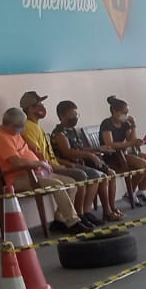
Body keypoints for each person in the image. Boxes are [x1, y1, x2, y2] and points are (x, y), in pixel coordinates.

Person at [0, 106, 88, 233]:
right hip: (18, 178)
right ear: (12, 125)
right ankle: (73, 222)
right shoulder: (1, 138)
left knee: (71, 183)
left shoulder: (14, 133)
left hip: (37, 173)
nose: (22, 129)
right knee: (57, 185)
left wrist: (41, 161)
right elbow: (17, 162)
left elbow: (30, 150)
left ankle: (60, 220)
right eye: (20, 126)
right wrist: (39, 164)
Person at [19, 90, 103, 227]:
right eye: (38, 104)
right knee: (80, 176)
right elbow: (38, 154)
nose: (42, 107)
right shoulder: (28, 127)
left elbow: (51, 155)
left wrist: (66, 164)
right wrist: (61, 166)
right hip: (45, 169)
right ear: (30, 108)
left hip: (54, 164)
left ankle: (65, 216)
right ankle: (78, 214)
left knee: (87, 174)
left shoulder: (37, 126)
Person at [52, 100, 123, 224]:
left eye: (76, 115)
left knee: (109, 173)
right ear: (61, 116)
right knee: (96, 176)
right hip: (69, 164)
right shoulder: (59, 133)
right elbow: (67, 152)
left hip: (82, 162)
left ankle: (108, 210)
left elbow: (80, 148)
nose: (75, 118)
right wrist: (90, 155)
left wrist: (97, 149)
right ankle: (84, 212)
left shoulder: (72, 130)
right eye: (71, 115)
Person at [98, 97, 146, 206]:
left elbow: (131, 140)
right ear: (115, 112)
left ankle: (141, 191)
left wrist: (133, 127)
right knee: (143, 164)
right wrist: (130, 144)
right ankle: (130, 193)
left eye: (127, 112)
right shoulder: (106, 123)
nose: (126, 115)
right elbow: (110, 144)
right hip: (113, 156)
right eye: (124, 112)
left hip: (125, 153)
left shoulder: (125, 123)